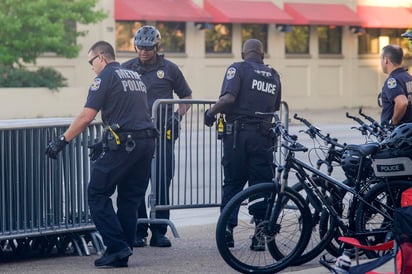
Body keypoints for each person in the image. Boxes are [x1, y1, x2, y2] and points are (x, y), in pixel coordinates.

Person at [45, 41, 156, 268]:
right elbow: (129, 112)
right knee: (130, 199)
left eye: (91, 62)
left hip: (127, 144)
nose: (92, 67)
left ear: (101, 58)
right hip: (145, 143)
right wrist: (103, 141)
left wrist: (62, 140)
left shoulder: (104, 77)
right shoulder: (134, 76)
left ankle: (116, 247)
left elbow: (87, 116)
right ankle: (122, 251)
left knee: (97, 193)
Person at [204, 38, 282, 250]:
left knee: (233, 182)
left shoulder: (237, 69)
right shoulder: (273, 75)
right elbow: (274, 106)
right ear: (262, 53)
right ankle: (260, 235)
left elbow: (229, 98)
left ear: (243, 53)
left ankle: (227, 231)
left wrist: (210, 113)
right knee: (260, 185)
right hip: (264, 138)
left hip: (238, 137)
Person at [122, 25, 192, 248]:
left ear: (157, 47)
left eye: (148, 48)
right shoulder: (127, 68)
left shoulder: (170, 69)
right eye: (140, 47)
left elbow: (187, 96)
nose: (143, 52)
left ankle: (159, 231)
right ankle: (138, 230)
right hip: (136, 137)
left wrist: (177, 115)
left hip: (162, 135)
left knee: (161, 184)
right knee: (137, 184)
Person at [379, 44, 412, 127]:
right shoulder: (408, 77)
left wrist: (393, 123)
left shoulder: (393, 81)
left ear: (386, 60)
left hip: (398, 135)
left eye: (381, 58)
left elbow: (402, 102)